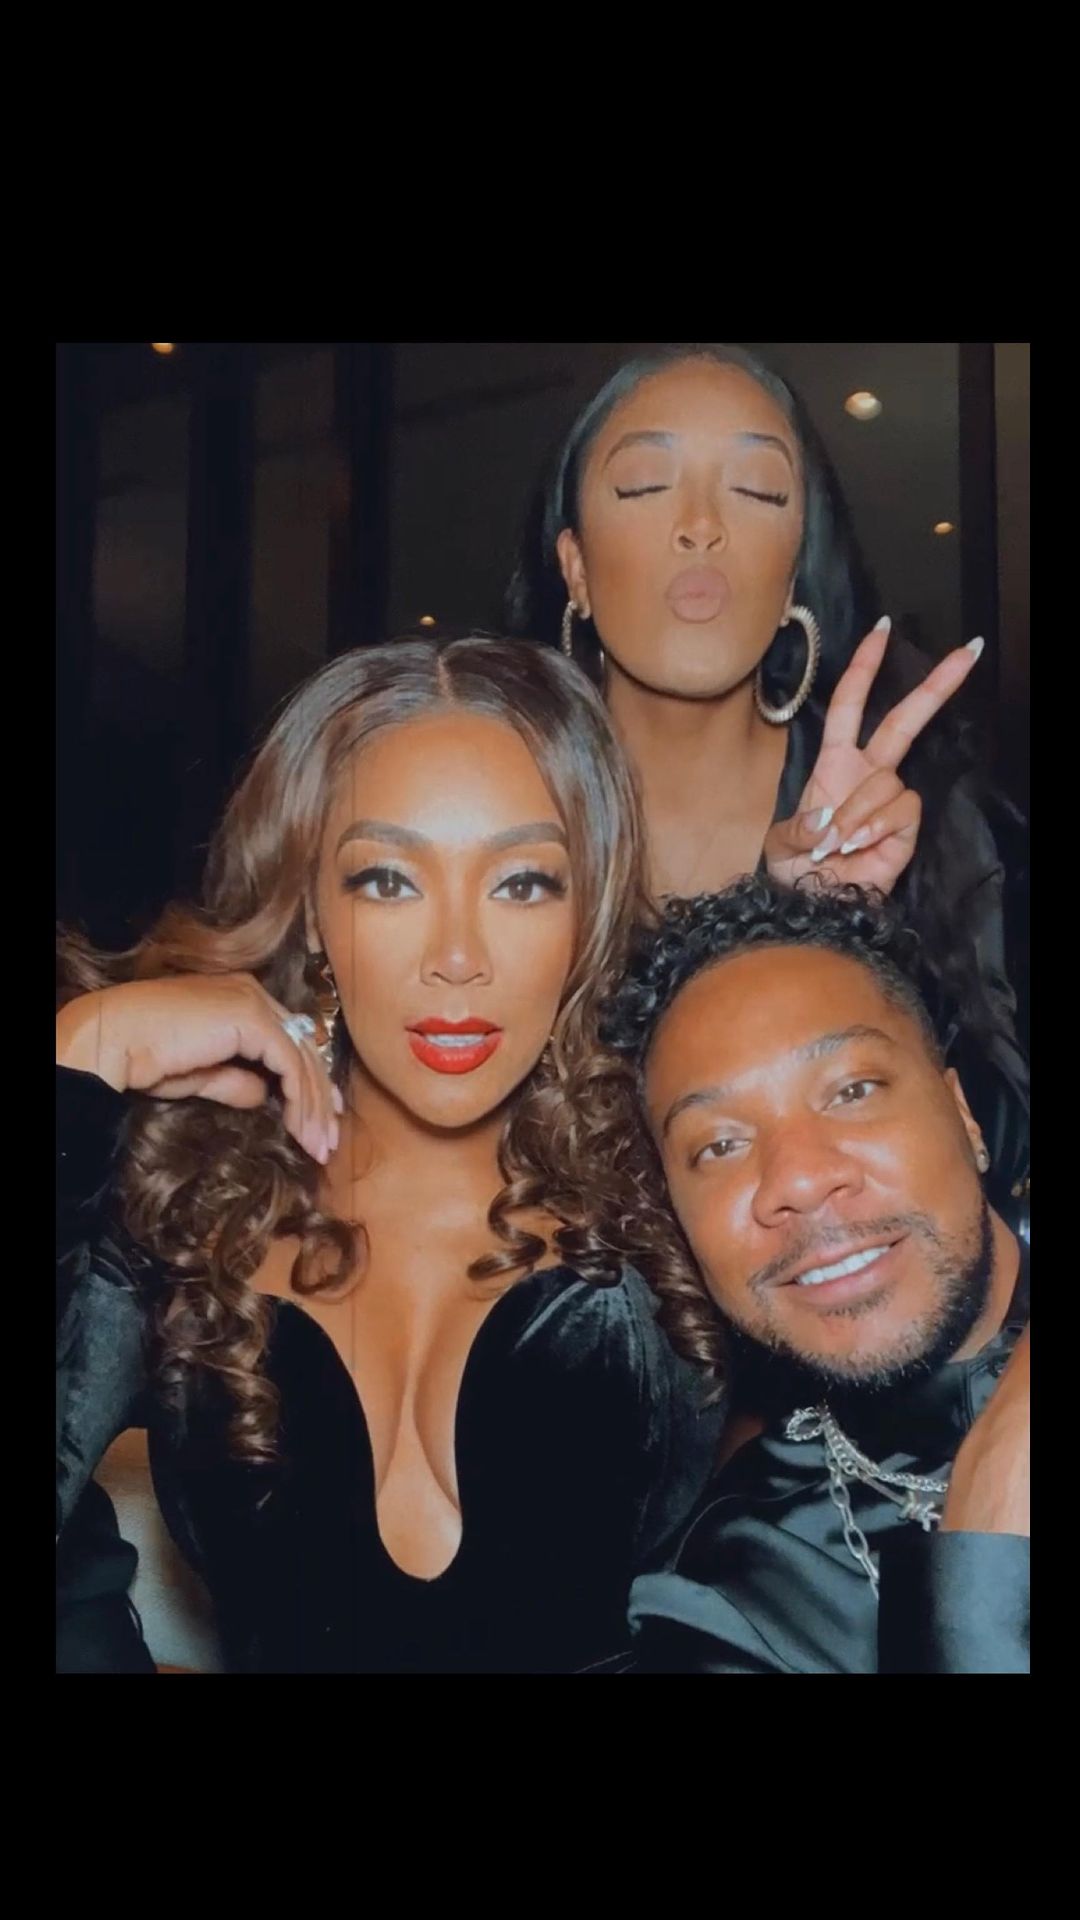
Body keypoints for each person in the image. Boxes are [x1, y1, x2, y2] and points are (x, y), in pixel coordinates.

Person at [56, 634, 723, 1675]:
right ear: (313, 912)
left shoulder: (676, 1203)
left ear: (586, 914)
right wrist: (78, 1055)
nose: (457, 958)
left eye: (522, 884)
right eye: (387, 880)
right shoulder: (179, 1212)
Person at [507, 343, 1029, 1215]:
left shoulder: (911, 812)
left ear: (794, 566)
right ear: (576, 568)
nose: (701, 524)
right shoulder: (492, 812)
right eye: (644, 485)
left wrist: (842, 936)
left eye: (755, 491)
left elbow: (1002, 1151)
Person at [600, 874, 1029, 1673]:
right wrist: (990, 1559)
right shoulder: (733, 1606)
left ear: (966, 1116)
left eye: (851, 1091)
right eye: (719, 1145)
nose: (796, 1178)